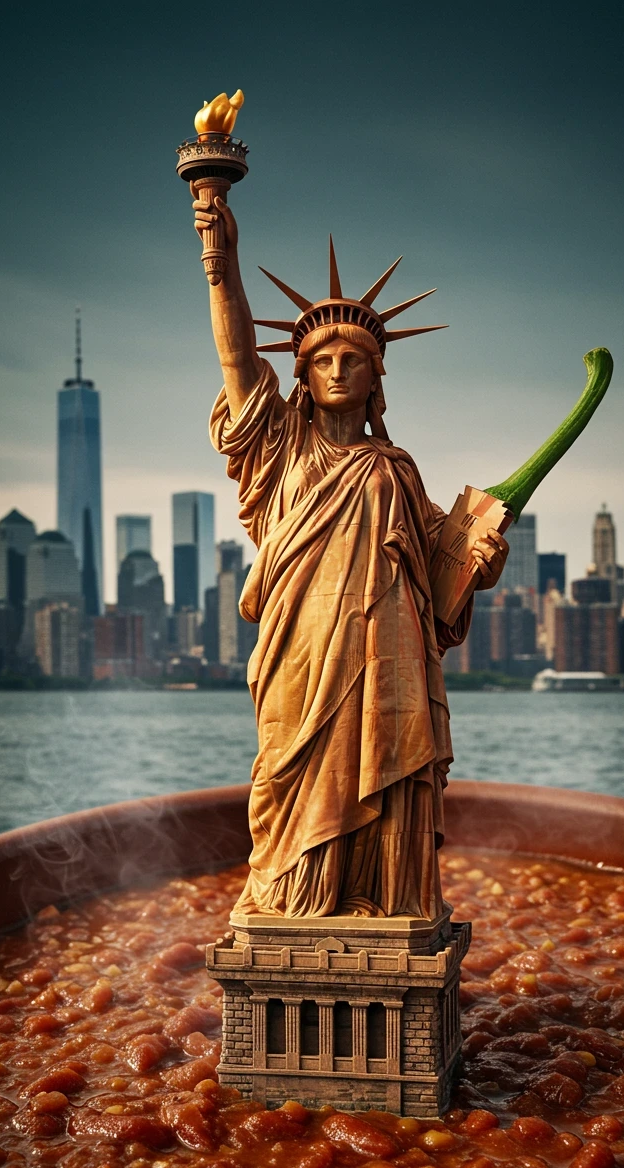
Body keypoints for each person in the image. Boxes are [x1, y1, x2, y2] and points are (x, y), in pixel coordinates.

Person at [193, 191, 508, 919]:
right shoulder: (276, 449)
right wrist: (221, 260)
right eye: (322, 359)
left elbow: (440, 575)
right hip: (299, 654)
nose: (338, 370)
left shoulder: (395, 469)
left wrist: (480, 566)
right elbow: (237, 354)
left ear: (376, 378)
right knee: (286, 772)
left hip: (386, 658)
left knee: (386, 777)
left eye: (355, 359)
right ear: (300, 376)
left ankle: (381, 895)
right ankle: (293, 895)